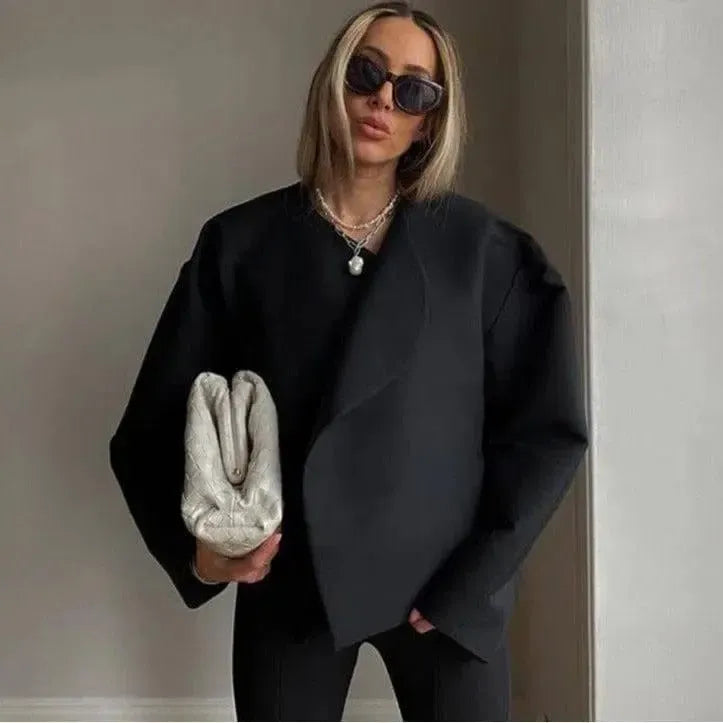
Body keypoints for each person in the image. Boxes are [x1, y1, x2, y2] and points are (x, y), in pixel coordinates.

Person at [108, 1, 589, 720]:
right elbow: (153, 420)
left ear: (430, 120)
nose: (383, 99)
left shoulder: (484, 253)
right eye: (366, 72)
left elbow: (545, 431)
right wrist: (199, 552)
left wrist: (474, 578)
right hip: (292, 581)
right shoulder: (242, 246)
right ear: (333, 81)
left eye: (413, 89)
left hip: (447, 585)